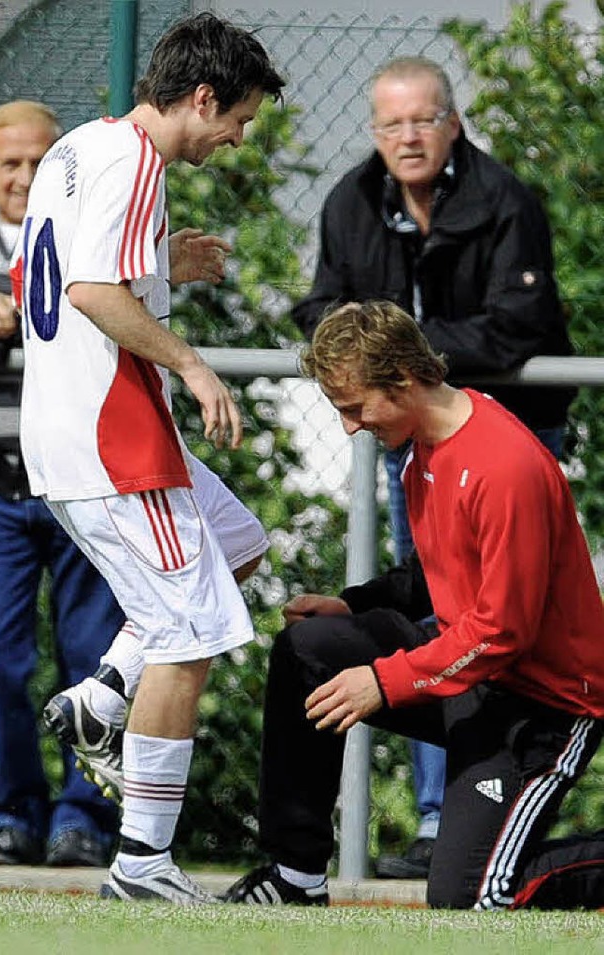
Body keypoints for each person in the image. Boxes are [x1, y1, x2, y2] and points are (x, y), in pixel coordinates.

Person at [11, 13, 283, 904]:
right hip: (113, 441)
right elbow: (90, 290)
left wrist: (165, 259)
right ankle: (142, 865)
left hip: (71, 428)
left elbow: (49, 271)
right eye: (237, 119)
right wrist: (193, 363)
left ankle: (102, 697)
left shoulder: (83, 146)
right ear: (201, 98)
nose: (238, 138)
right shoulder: (139, 165)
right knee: (190, 637)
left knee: (239, 544)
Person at [291, 56, 576, 879]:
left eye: (424, 120)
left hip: (495, 424)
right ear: (375, 134)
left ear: (453, 123)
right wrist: (354, 607)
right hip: (418, 423)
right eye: (393, 125)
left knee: (489, 609)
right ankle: (383, 832)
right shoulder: (353, 200)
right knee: (420, 596)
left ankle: (458, 805)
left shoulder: (504, 198)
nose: (409, 137)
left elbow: (519, 325)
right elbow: (320, 306)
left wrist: (406, 363)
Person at [222, 300, 604, 910]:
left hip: (545, 706)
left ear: (403, 380)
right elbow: (433, 574)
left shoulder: (505, 466)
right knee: (310, 647)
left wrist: (385, 679)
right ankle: (294, 876)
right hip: (469, 675)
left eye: (355, 408)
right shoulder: (421, 449)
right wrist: (352, 607)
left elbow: (504, 631)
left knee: (472, 899)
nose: (349, 427)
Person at [0, 100, 125, 867]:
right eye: (10, 164)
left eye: (39, 162)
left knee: (93, 656)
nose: (26, 178)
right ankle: (13, 813)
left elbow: (114, 313)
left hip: (78, 483)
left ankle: (84, 818)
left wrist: (9, 320)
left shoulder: (87, 227)